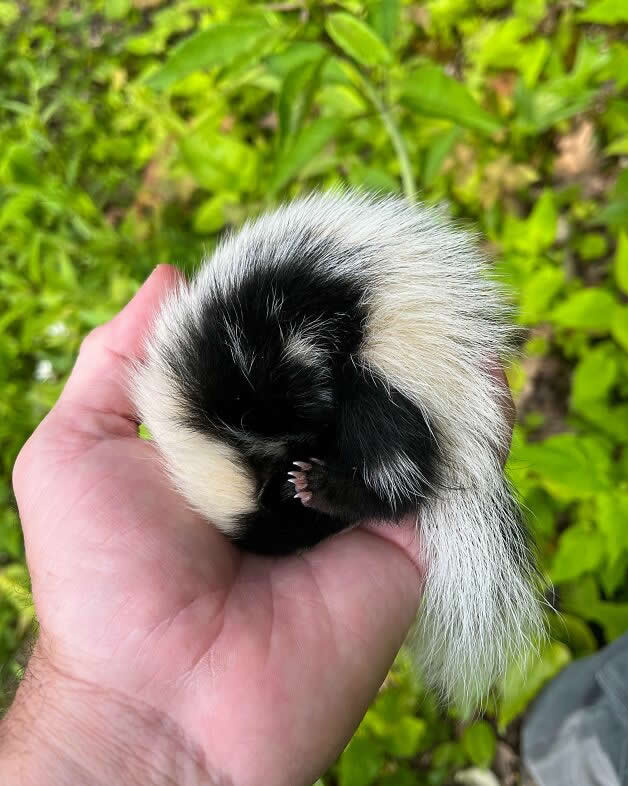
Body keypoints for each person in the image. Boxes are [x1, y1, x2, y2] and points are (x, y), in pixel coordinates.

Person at [3, 266, 427, 786]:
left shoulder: (254, 388)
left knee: (380, 468)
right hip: (336, 344)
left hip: (354, 321)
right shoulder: (231, 420)